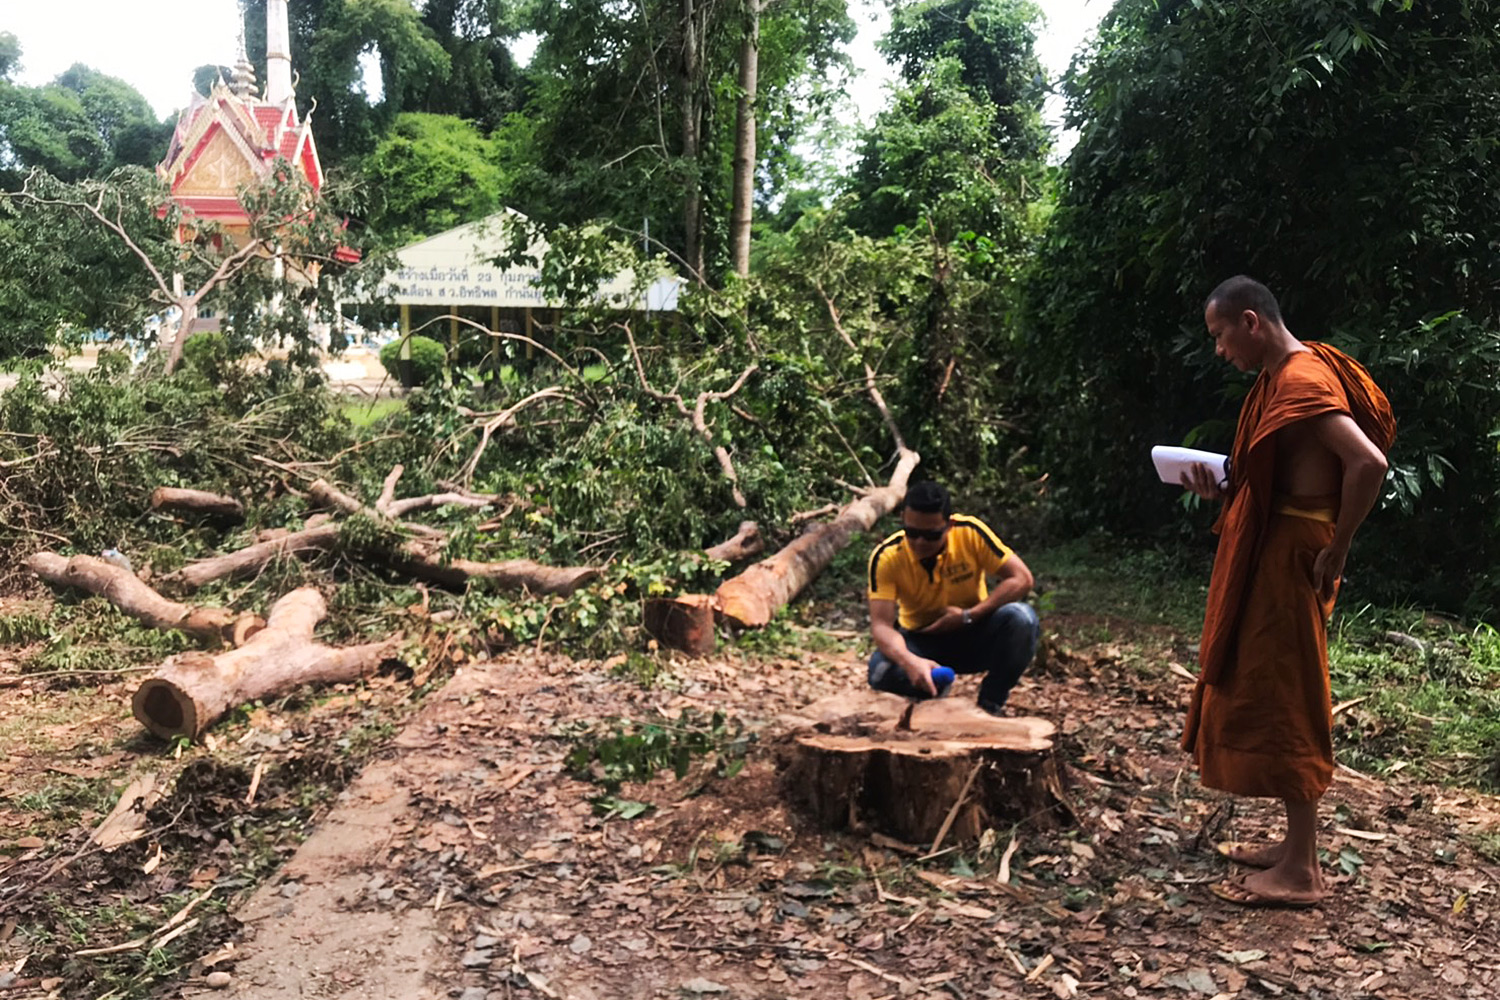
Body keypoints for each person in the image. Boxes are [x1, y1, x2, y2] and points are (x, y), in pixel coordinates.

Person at [1180, 275, 1394, 908]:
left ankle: (1301, 871)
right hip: (1280, 544)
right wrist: (1223, 489)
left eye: (1221, 337)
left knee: (1291, 695)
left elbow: (1367, 463)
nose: (1221, 352)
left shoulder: (1302, 380)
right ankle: (1293, 846)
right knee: (1272, 690)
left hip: (1292, 554)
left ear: (1251, 322)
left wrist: (1342, 544)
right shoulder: (1286, 376)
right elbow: (1283, 471)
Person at [866, 480, 1039, 715]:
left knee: (1022, 619)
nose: (919, 543)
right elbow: (881, 625)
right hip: (921, 641)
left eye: (931, 535)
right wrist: (909, 661)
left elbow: (1022, 578)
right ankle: (933, 690)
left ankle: (990, 704)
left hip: (976, 632)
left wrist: (970, 615)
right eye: (912, 533)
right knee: (880, 672)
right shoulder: (887, 557)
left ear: (949, 525)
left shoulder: (970, 533)